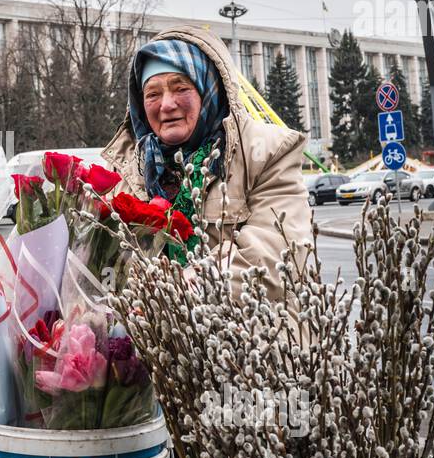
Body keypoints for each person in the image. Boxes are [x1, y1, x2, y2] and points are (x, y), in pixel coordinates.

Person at [101, 27, 312, 301]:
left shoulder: (264, 152)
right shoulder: (130, 168)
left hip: (251, 338)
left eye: (181, 88)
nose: (166, 104)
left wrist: (183, 288)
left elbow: (275, 256)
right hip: (154, 339)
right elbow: (105, 267)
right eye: (152, 93)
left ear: (208, 89)